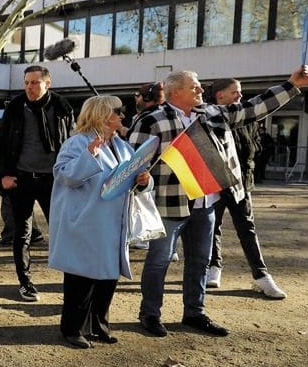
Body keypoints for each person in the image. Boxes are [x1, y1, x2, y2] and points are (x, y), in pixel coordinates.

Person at [128, 67, 308, 338]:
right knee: (158, 262)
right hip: (169, 205)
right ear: (176, 92)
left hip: (206, 204)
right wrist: (139, 179)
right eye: (195, 86)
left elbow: (252, 108)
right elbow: (133, 162)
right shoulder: (151, 120)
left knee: (200, 261)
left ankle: (194, 313)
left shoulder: (212, 114)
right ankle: (150, 314)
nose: (202, 90)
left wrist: (292, 84)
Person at [49, 97, 152, 348]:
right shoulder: (76, 143)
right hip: (85, 222)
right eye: (119, 111)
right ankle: (72, 329)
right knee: (81, 278)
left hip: (112, 223)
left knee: (107, 277)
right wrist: (89, 156)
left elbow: (130, 179)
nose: (123, 115)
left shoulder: (123, 146)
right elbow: (64, 175)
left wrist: (144, 181)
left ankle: (99, 325)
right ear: (104, 114)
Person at [0, 65, 75, 302]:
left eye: (35, 82)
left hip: (54, 181)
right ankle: (26, 282)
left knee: (62, 232)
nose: (29, 87)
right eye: (27, 82)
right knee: (22, 234)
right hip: (21, 180)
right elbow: (0, 145)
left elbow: (71, 143)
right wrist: (3, 176)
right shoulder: (15, 108)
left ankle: (70, 280)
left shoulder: (62, 107)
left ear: (47, 83)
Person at [203, 79, 285, 299]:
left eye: (240, 93)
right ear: (220, 95)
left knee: (247, 228)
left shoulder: (245, 117)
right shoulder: (209, 116)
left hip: (241, 182)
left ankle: (261, 275)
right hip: (215, 182)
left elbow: (252, 145)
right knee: (213, 227)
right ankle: (213, 268)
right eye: (235, 92)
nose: (240, 96)